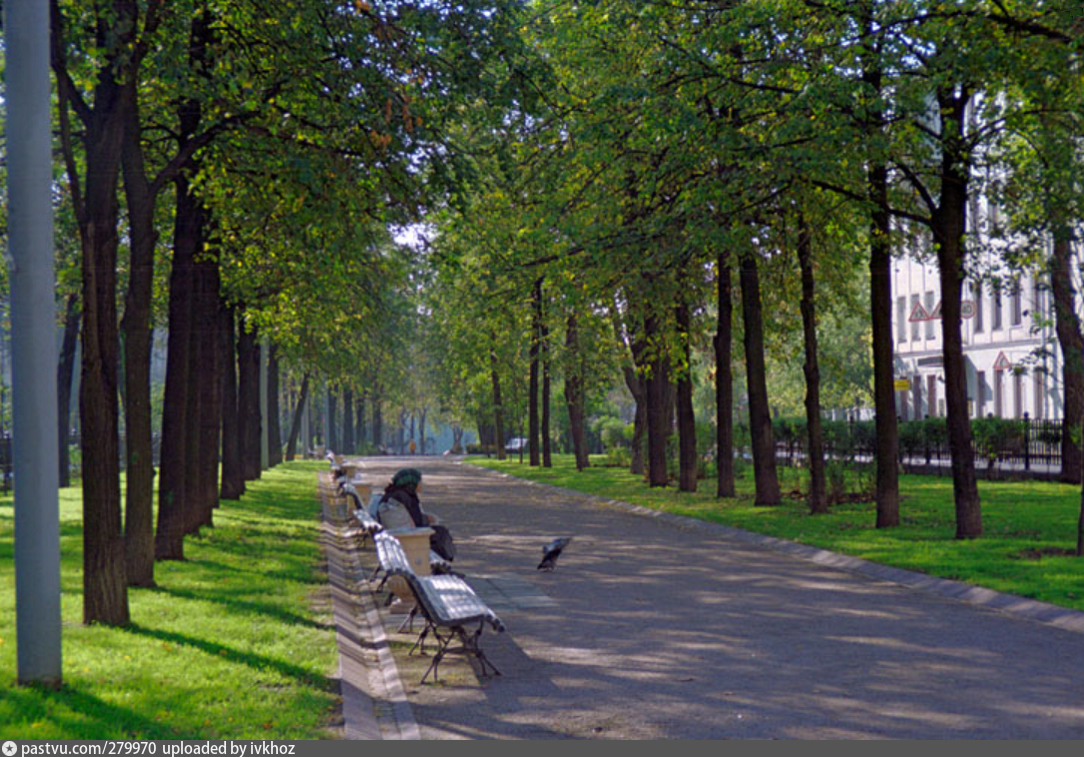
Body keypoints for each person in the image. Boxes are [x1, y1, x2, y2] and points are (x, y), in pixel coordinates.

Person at [375, 468, 456, 561]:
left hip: (393, 537)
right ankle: (441, 566)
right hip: (407, 538)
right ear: (411, 483)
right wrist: (428, 519)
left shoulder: (391, 494)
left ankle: (442, 565)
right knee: (441, 533)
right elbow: (418, 522)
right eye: (419, 481)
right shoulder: (407, 497)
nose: (421, 484)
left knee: (438, 533)